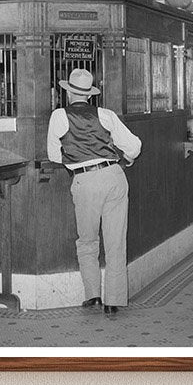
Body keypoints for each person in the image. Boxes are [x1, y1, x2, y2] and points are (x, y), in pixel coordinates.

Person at [47, 68, 142, 317]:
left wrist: (74, 155)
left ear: (68, 93)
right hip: (114, 177)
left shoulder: (59, 116)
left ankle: (93, 295)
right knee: (115, 241)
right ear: (89, 94)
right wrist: (128, 160)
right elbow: (134, 145)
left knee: (87, 241)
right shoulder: (106, 115)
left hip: (85, 180)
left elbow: (53, 155)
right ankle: (115, 300)